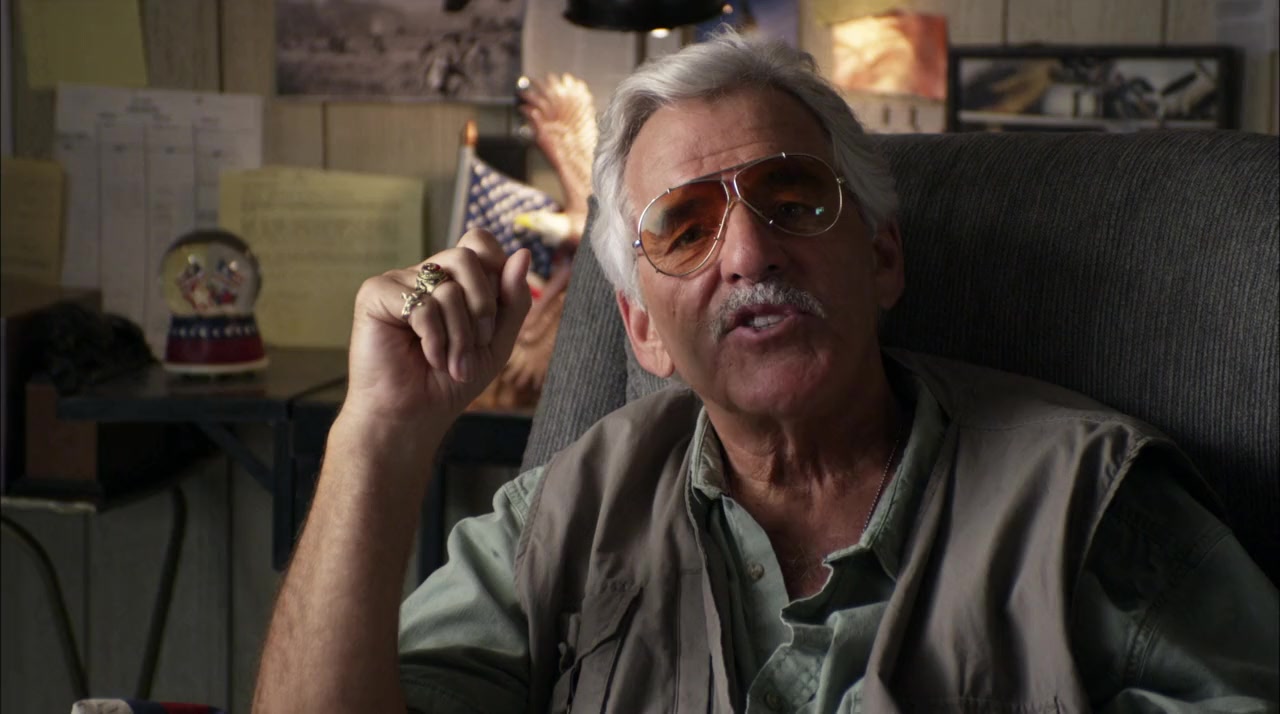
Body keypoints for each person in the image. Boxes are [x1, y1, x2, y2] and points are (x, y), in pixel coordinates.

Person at [254, 31, 1278, 713]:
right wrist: (377, 435)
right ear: (641, 332)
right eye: (685, 227)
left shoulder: (1090, 503)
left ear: (880, 257)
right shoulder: (563, 516)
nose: (748, 253)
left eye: (791, 200)